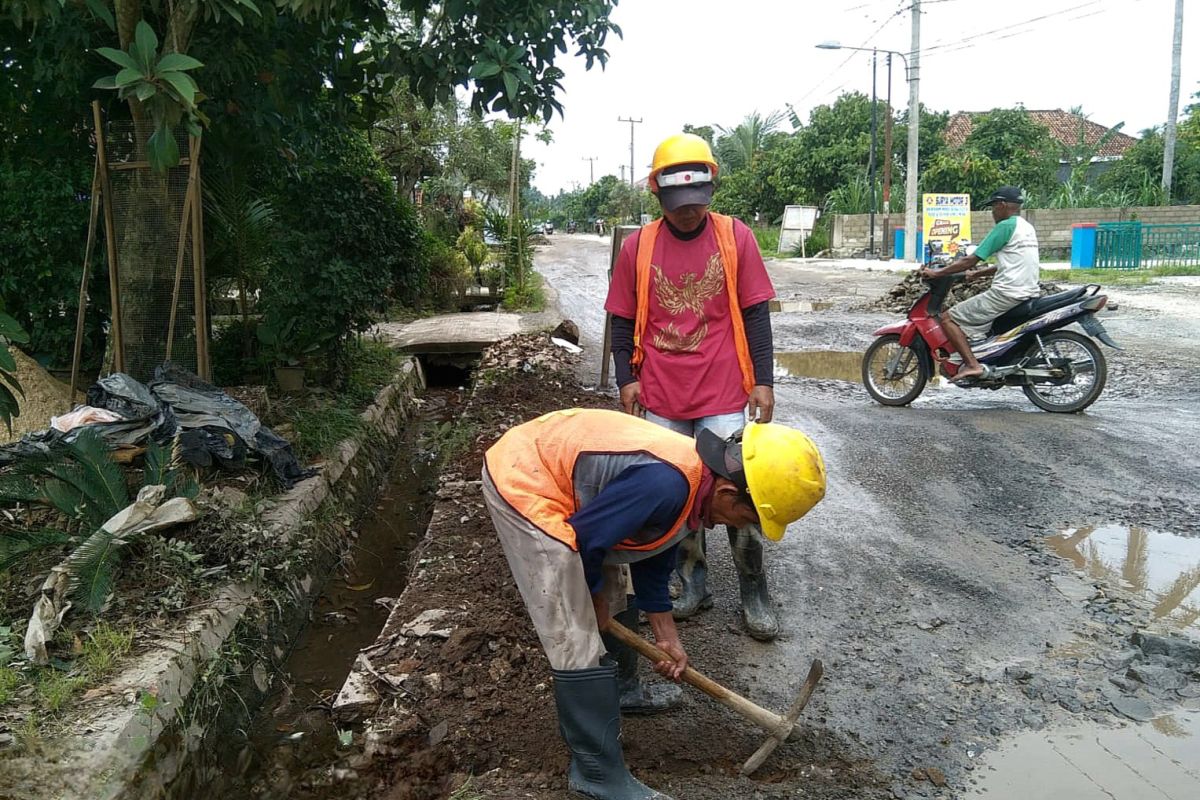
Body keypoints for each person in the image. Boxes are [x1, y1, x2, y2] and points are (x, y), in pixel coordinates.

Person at [482, 408, 826, 800]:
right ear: (730, 493)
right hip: (524, 477)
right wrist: (589, 599)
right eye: (746, 518)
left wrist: (667, 637)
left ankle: (623, 690)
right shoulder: (665, 483)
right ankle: (596, 774)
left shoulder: (698, 481)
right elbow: (585, 540)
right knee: (573, 627)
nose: (740, 527)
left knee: (616, 587)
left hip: (568, 486)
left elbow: (653, 546)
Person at [603, 132, 782, 642]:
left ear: (710, 192)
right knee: (677, 495)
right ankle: (692, 579)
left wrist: (763, 381)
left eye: (697, 204)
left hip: (724, 389)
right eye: (678, 205)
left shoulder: (734, 237)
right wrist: (627, 379)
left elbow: (755, 313)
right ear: (658, 196)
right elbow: (621, 320)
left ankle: (754, 590)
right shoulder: (639, 247)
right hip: (662, 396)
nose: (689, 214)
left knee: (739, 488)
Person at [919, 186, 1041, 381]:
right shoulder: (1025, 227)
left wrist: (937, 272)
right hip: (1027, 290)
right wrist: (979, 274)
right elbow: (1012, 261)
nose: (992, 212)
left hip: (1006, 293)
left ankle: (972, 365)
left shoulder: (1005, 227)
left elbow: (971, 259)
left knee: (948, 318)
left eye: (993, 206)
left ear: (1002, 205)